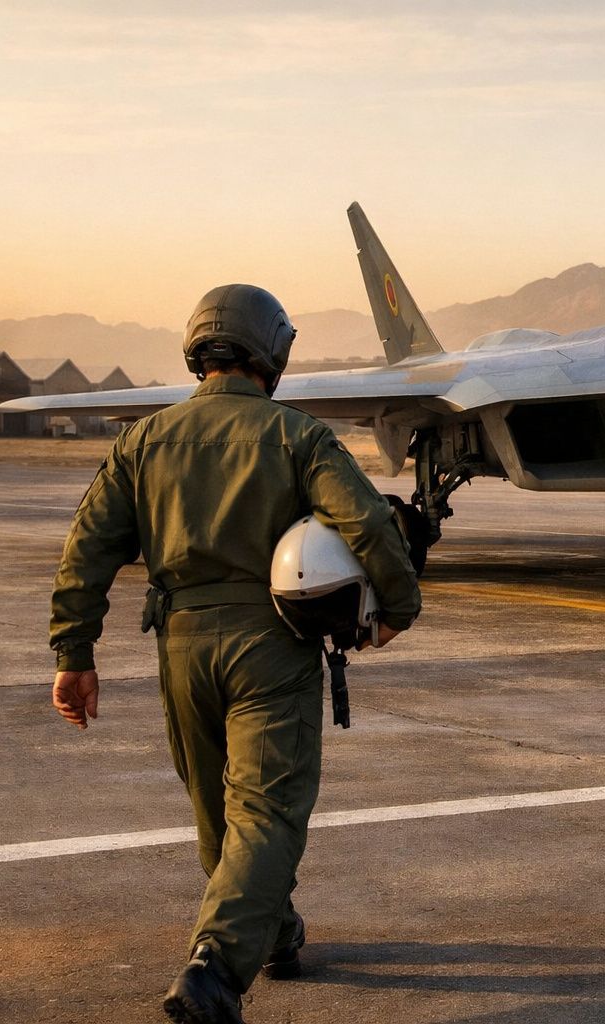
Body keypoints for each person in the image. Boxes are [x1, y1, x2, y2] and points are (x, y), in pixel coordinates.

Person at [48, 283, 422, 1024]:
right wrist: (399, 607)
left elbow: (86, 550)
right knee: (267, 811)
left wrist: (74, 653)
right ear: (271, 351)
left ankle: (274, 933)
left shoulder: (143, 440)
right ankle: (215, 968)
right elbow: (369, 524)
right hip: (271, 645)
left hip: (182, 646)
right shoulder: (297, 437)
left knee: (218, 811)